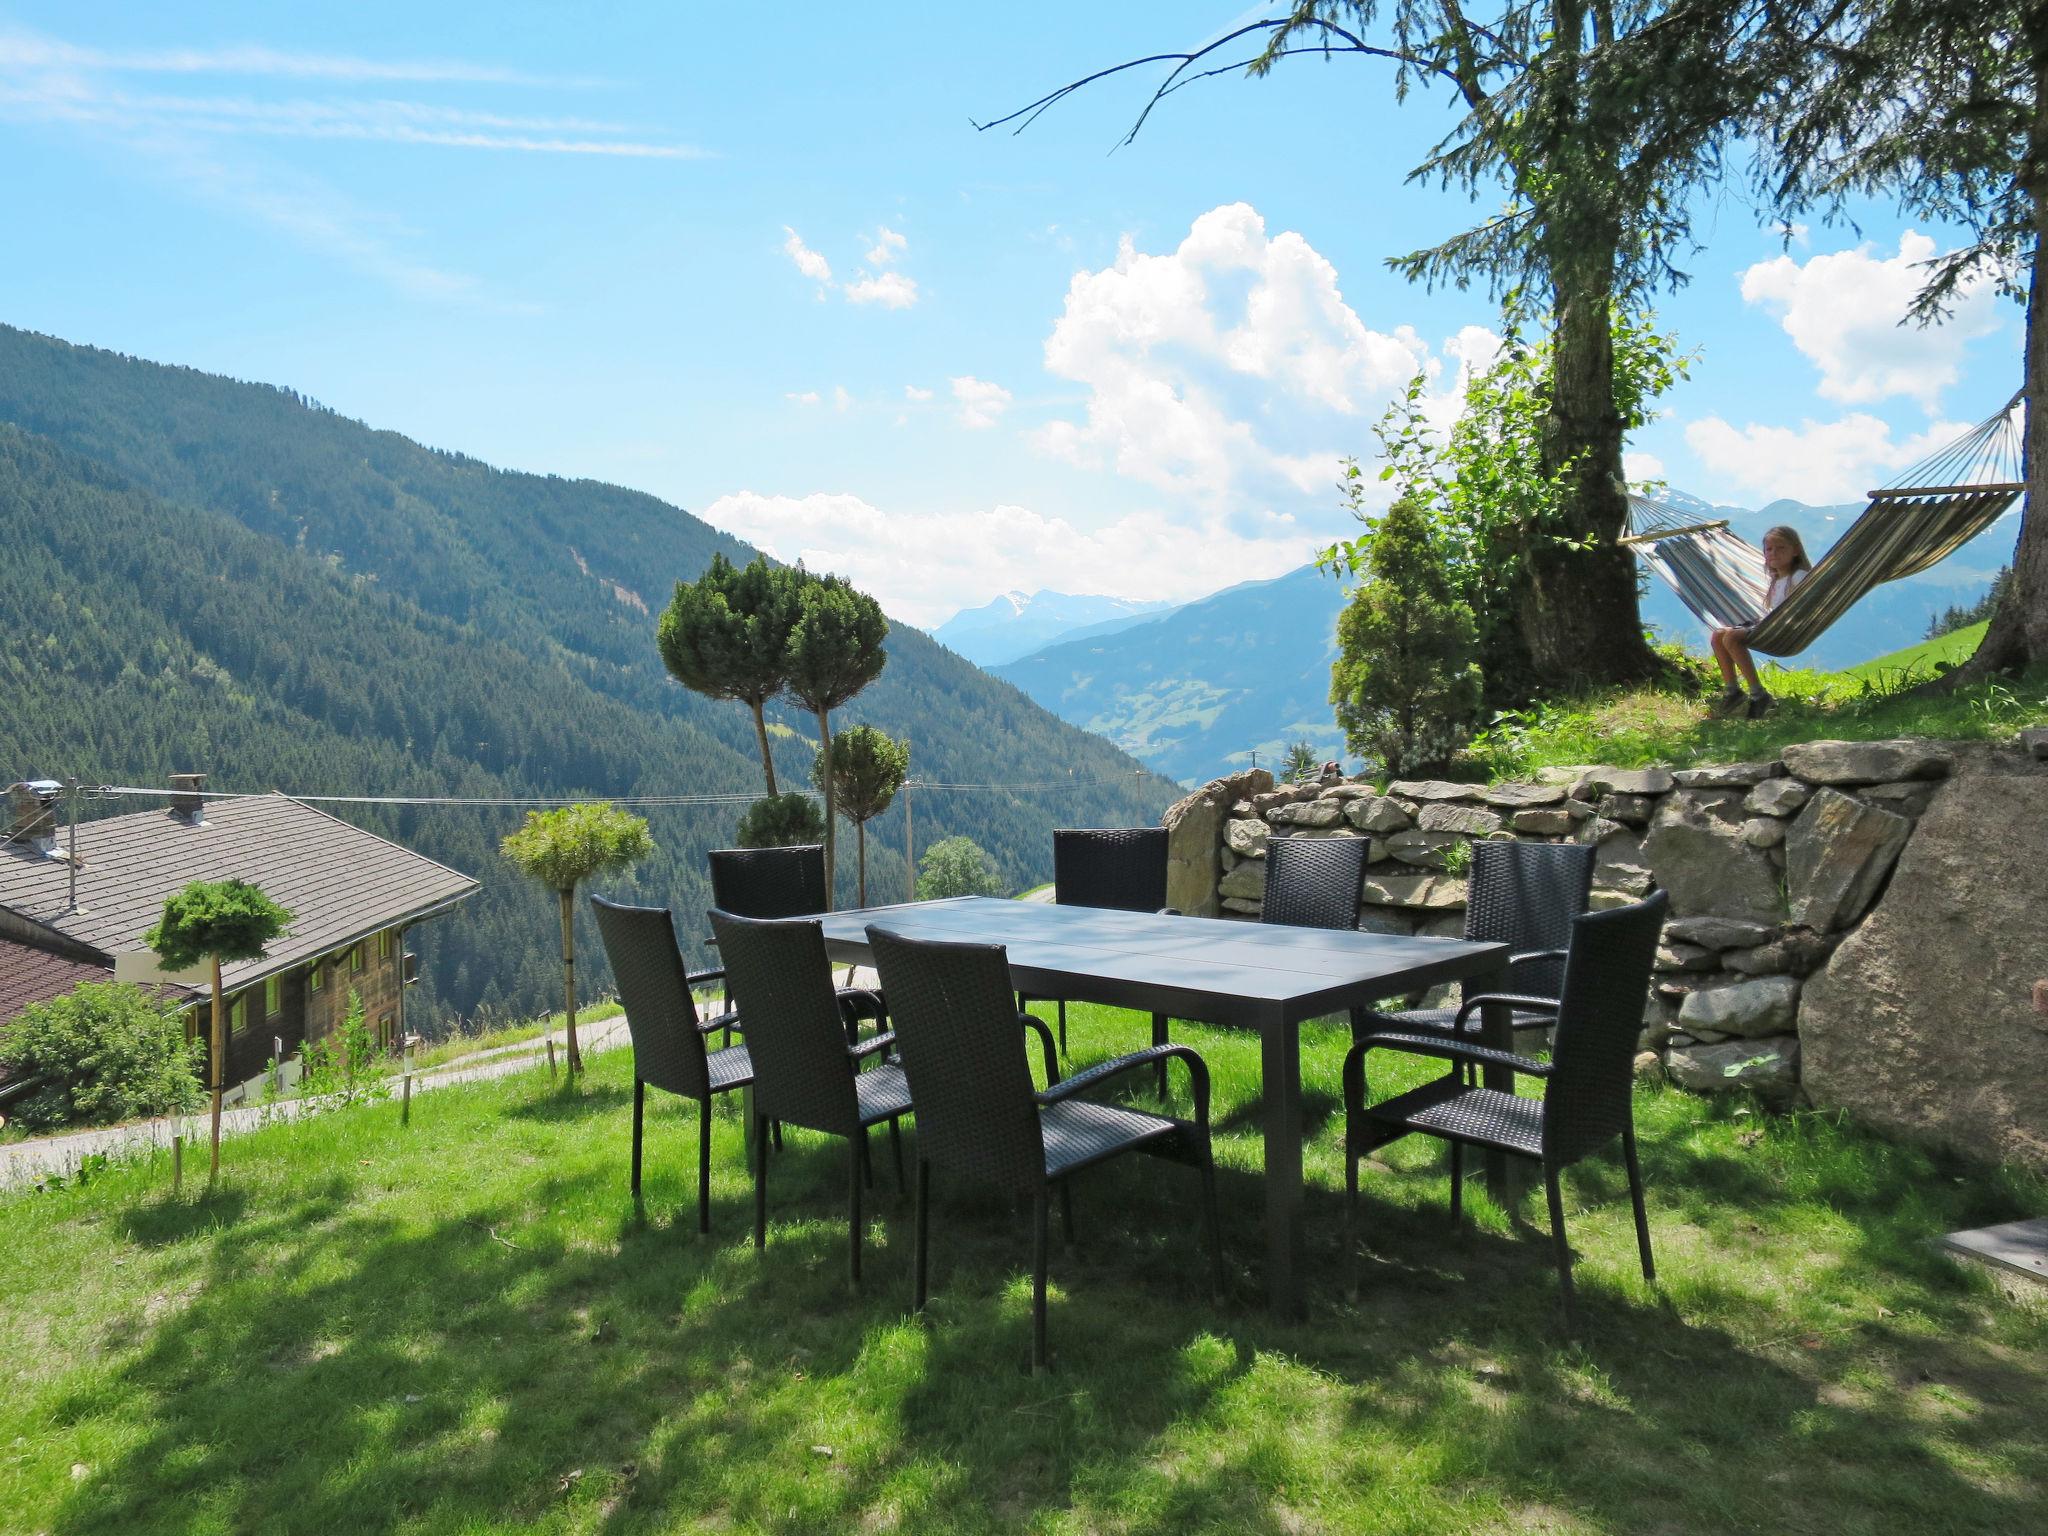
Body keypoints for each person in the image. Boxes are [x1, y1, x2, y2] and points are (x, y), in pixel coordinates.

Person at [1710, 525, 1811, 718]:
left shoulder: (1799, 577)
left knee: (1731, 637)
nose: (1774, 553)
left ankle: (1758, 695)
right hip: (1771, 626)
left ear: (1796, 551)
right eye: (1769, 549)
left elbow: (1801, 608)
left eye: (1781, 548)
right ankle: (1733, 691)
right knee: (1717, 635)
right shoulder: (1776, 578)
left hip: (1785, 631)